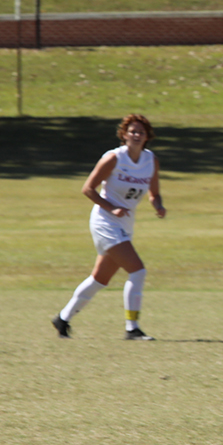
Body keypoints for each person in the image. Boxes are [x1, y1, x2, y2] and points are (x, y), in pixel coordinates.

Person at [52, 114, 166, 340]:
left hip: (125, 223)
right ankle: (132, 328)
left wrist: (158, 205)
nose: (136, 135)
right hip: (105, 221)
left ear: (147, 137)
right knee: (138, 270)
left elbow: (154, 193)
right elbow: (88, 189)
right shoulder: (114, 158)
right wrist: (111, 208)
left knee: (100, 279)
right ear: (124, 135)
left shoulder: (150, 161)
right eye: (132, 131)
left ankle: (62, 319)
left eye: (140, 132)